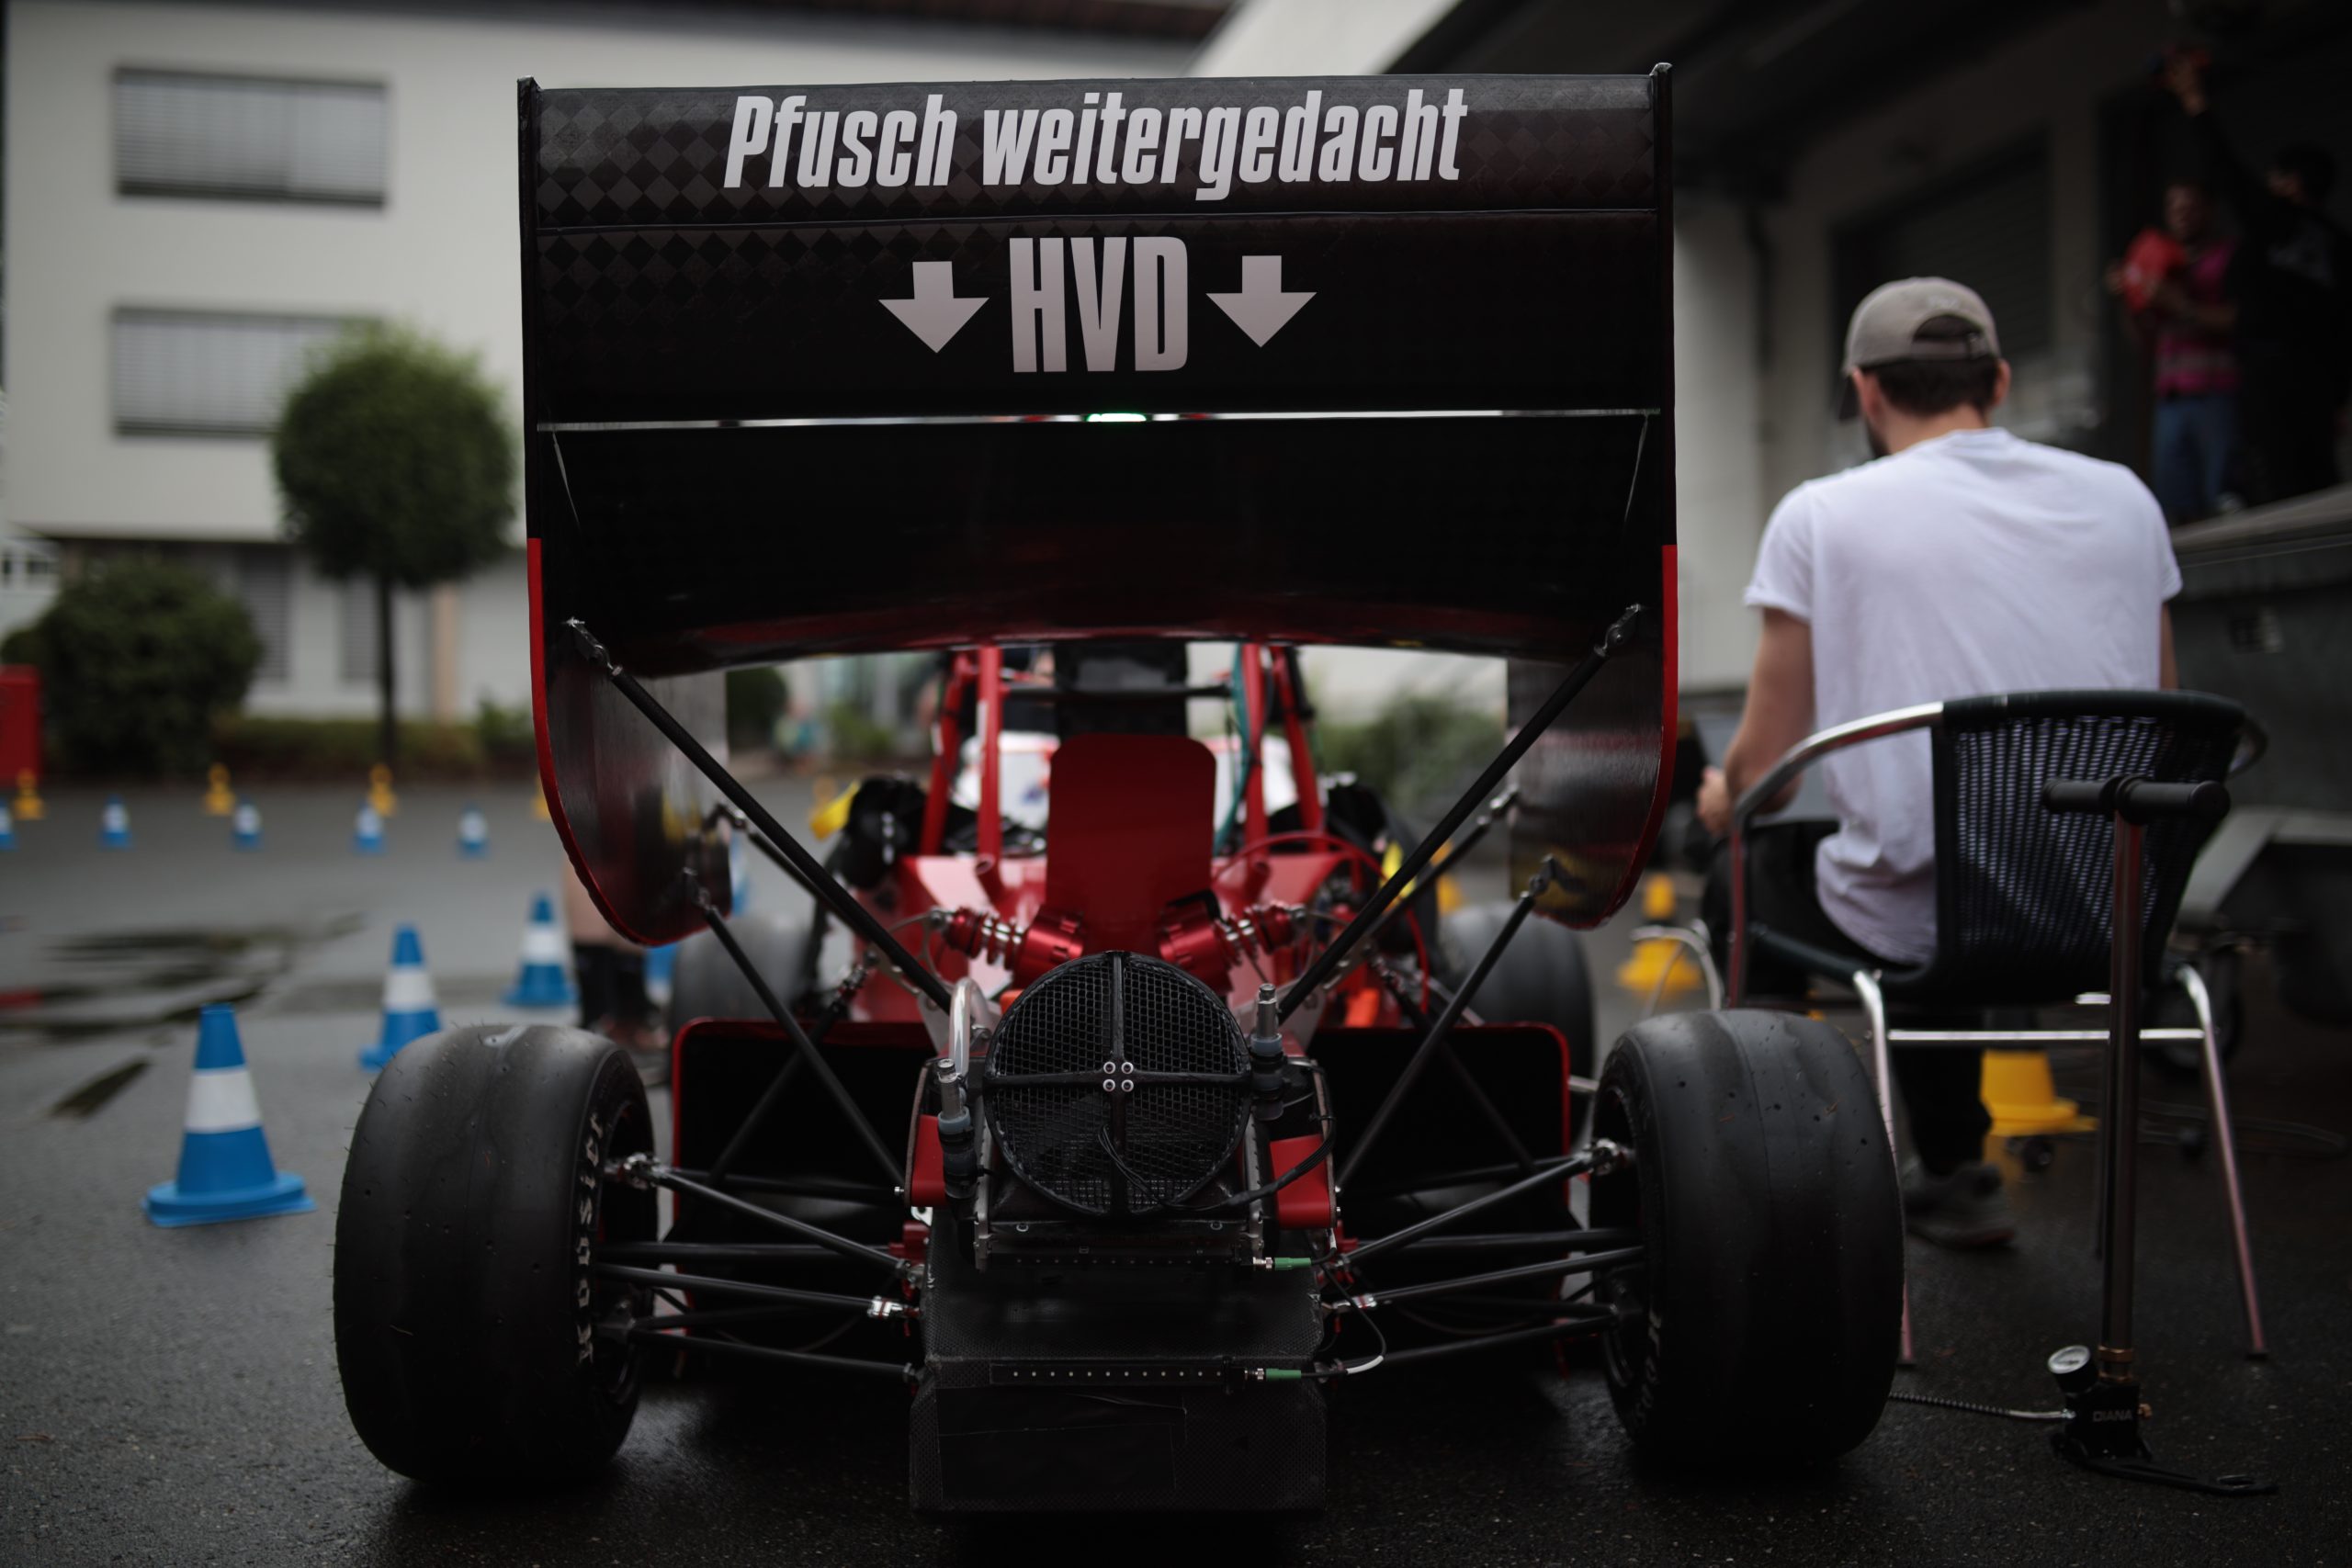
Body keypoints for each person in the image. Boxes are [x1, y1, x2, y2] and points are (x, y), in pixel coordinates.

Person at [1696, 277, 2180, 1249]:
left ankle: (1786, 1189)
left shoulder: (1821, 515)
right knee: (1920, 859)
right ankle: (1953, 1174)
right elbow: (2163, 713)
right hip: (2112, 911)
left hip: (1930, 914)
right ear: (1997, 382)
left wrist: (1721, 796)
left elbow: (1769, 775)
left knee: (1751, 873)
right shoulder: (2128, 499)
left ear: (1865, 393)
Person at [2165, 55, 2350, 504]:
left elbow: (2226, 168)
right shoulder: (2340, 245)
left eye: (2274, 178)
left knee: (2273, 491)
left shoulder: (2274, 220)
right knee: (2318, 485)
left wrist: (2194, 101)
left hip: (2271, 382)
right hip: (2320, 390)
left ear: (2291, 183)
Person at [2106, 178, 2241, 523]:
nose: (2182, 215)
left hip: (2217, 390)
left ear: (2209, 210)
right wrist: (2127, 300)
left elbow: (2242, 319)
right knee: (2176, 506)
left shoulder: (2228, 257)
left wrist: (2182, 306)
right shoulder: (2158, 263)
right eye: (2175, 208)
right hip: (2171, 396)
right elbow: (2143, 342)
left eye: (2191, 207)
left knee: (2225, 497)